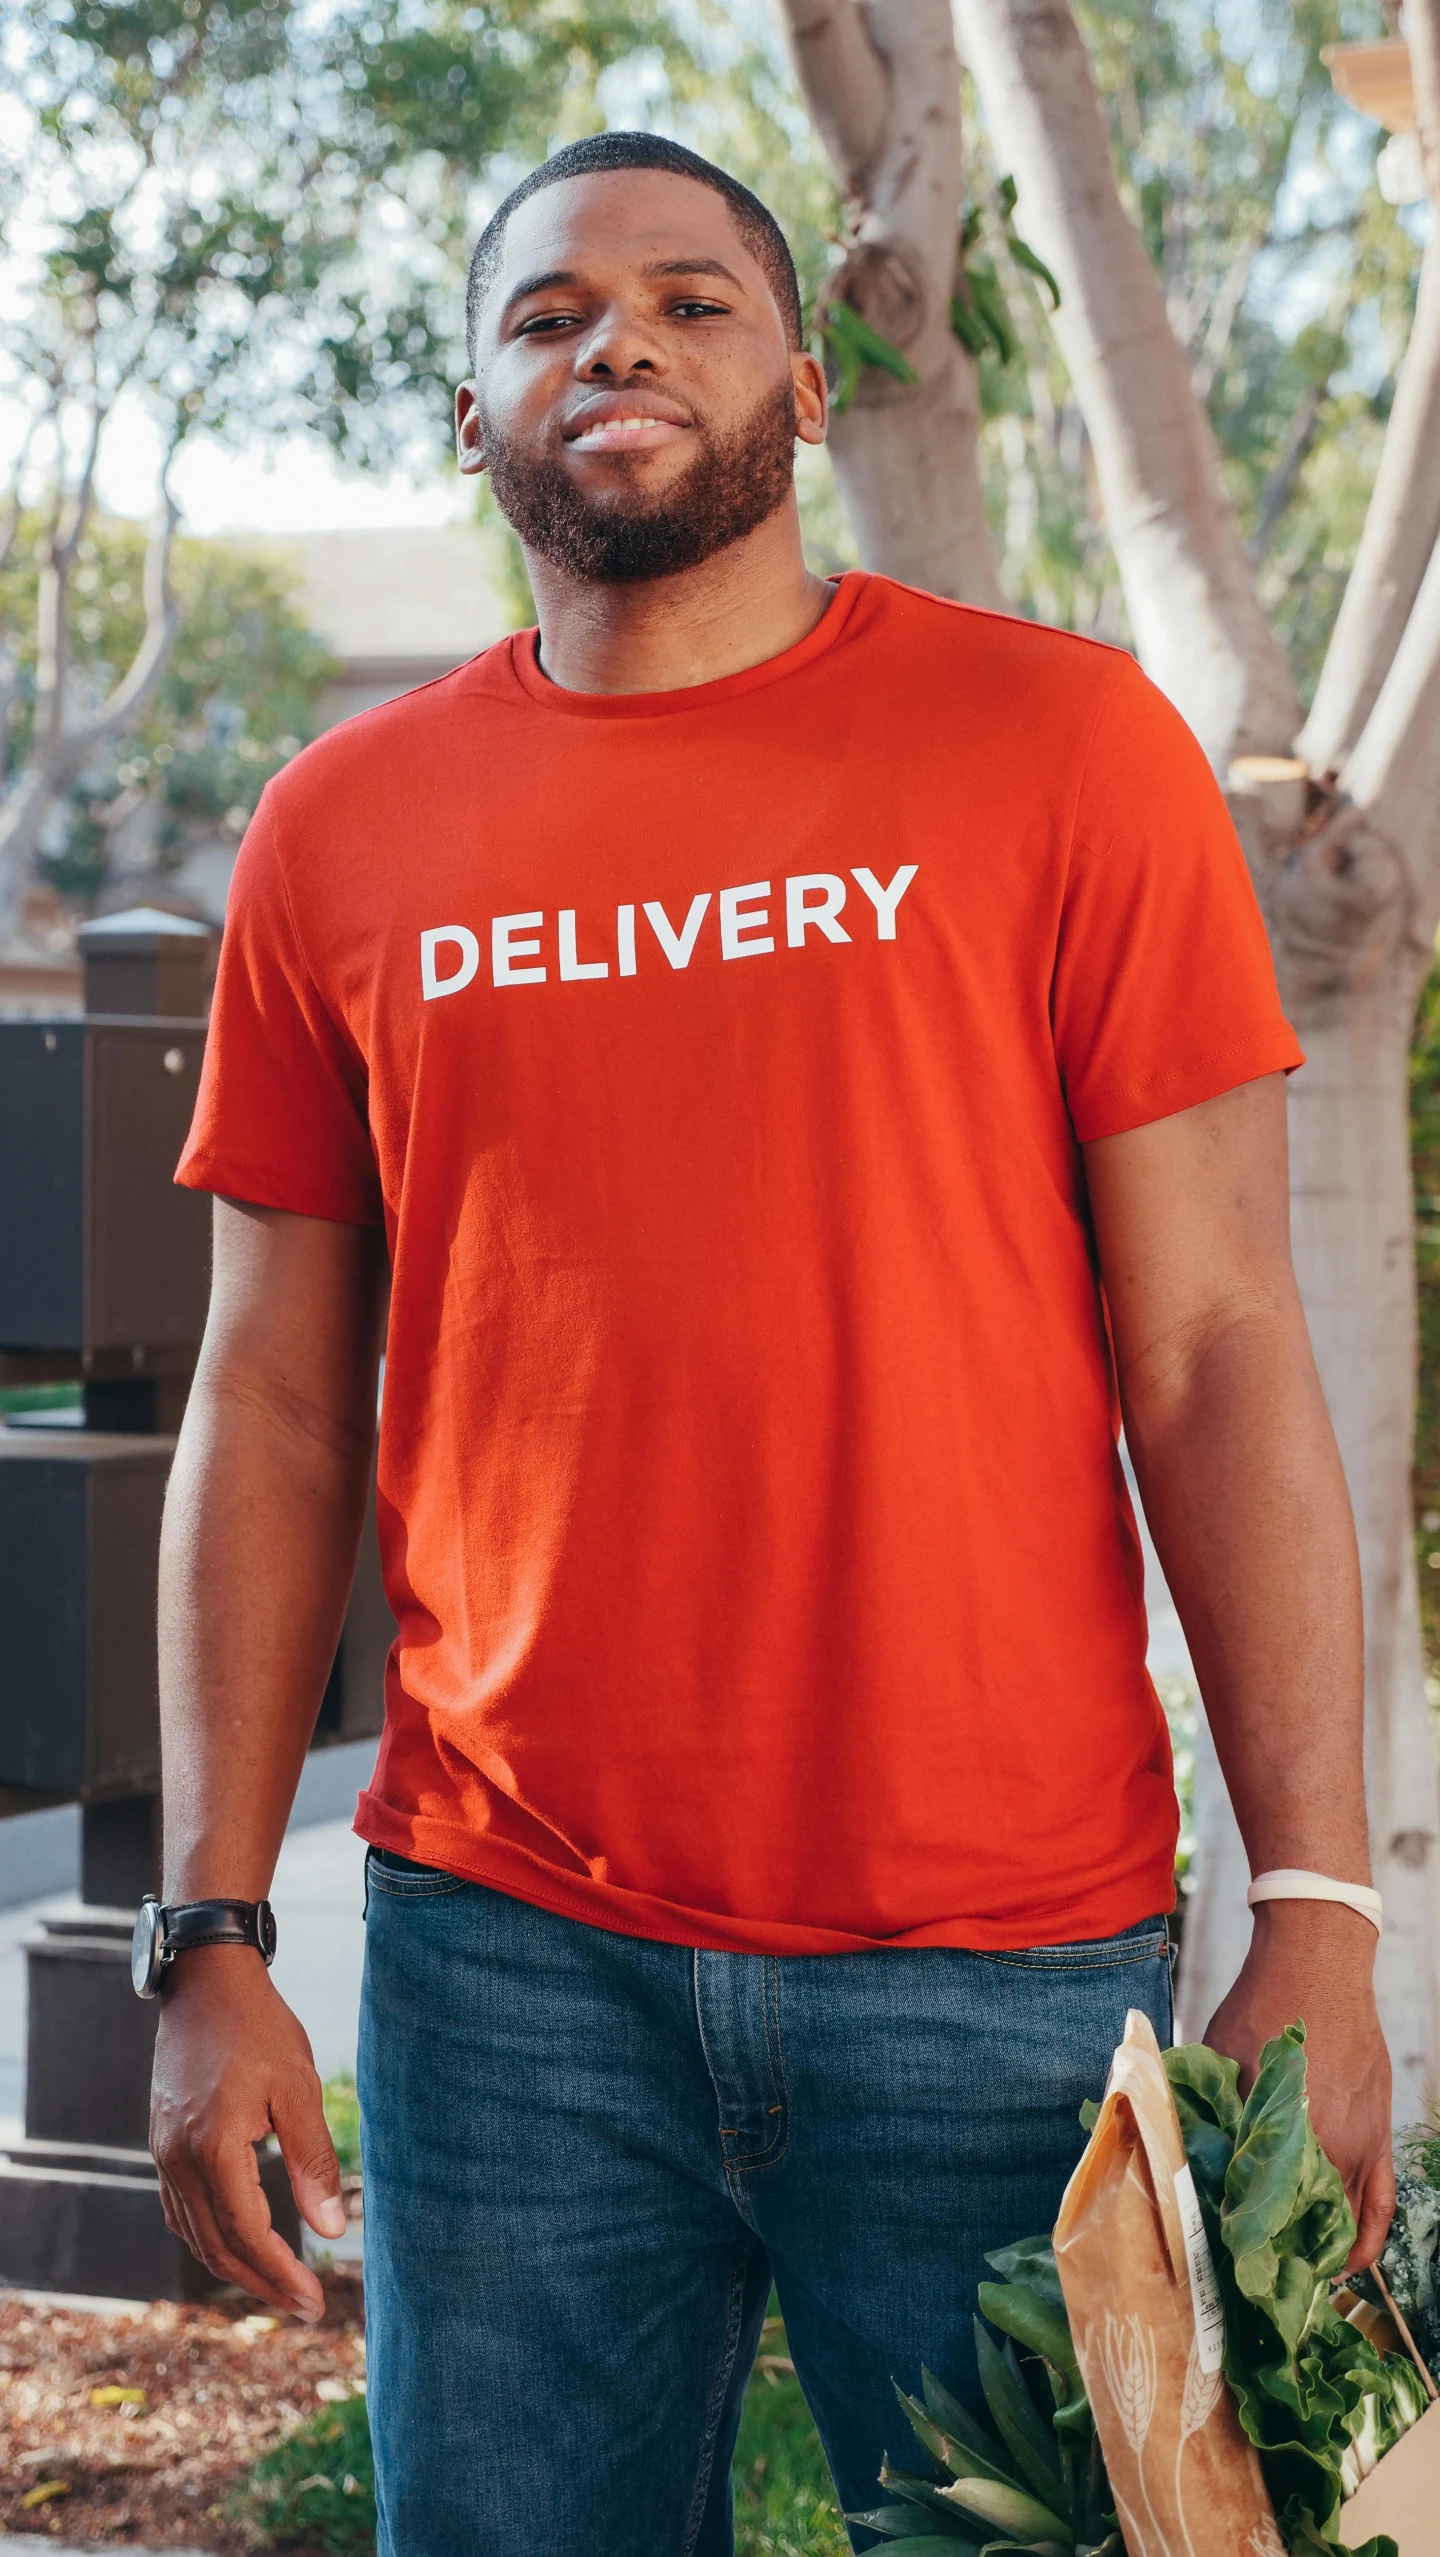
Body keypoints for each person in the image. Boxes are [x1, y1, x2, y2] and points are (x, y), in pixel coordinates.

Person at [149, 130, 1392, 2556]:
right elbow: (271, 1395)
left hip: (1003, 1964)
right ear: (471, 416)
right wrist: (208, 1929)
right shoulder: (337, 828)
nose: (614, 339)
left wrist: (1322, 1912)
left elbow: (1223, 1343)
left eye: (694, 301)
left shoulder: (1062, 751)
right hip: (505, 1971)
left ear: (810, 385)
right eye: (543, 313)